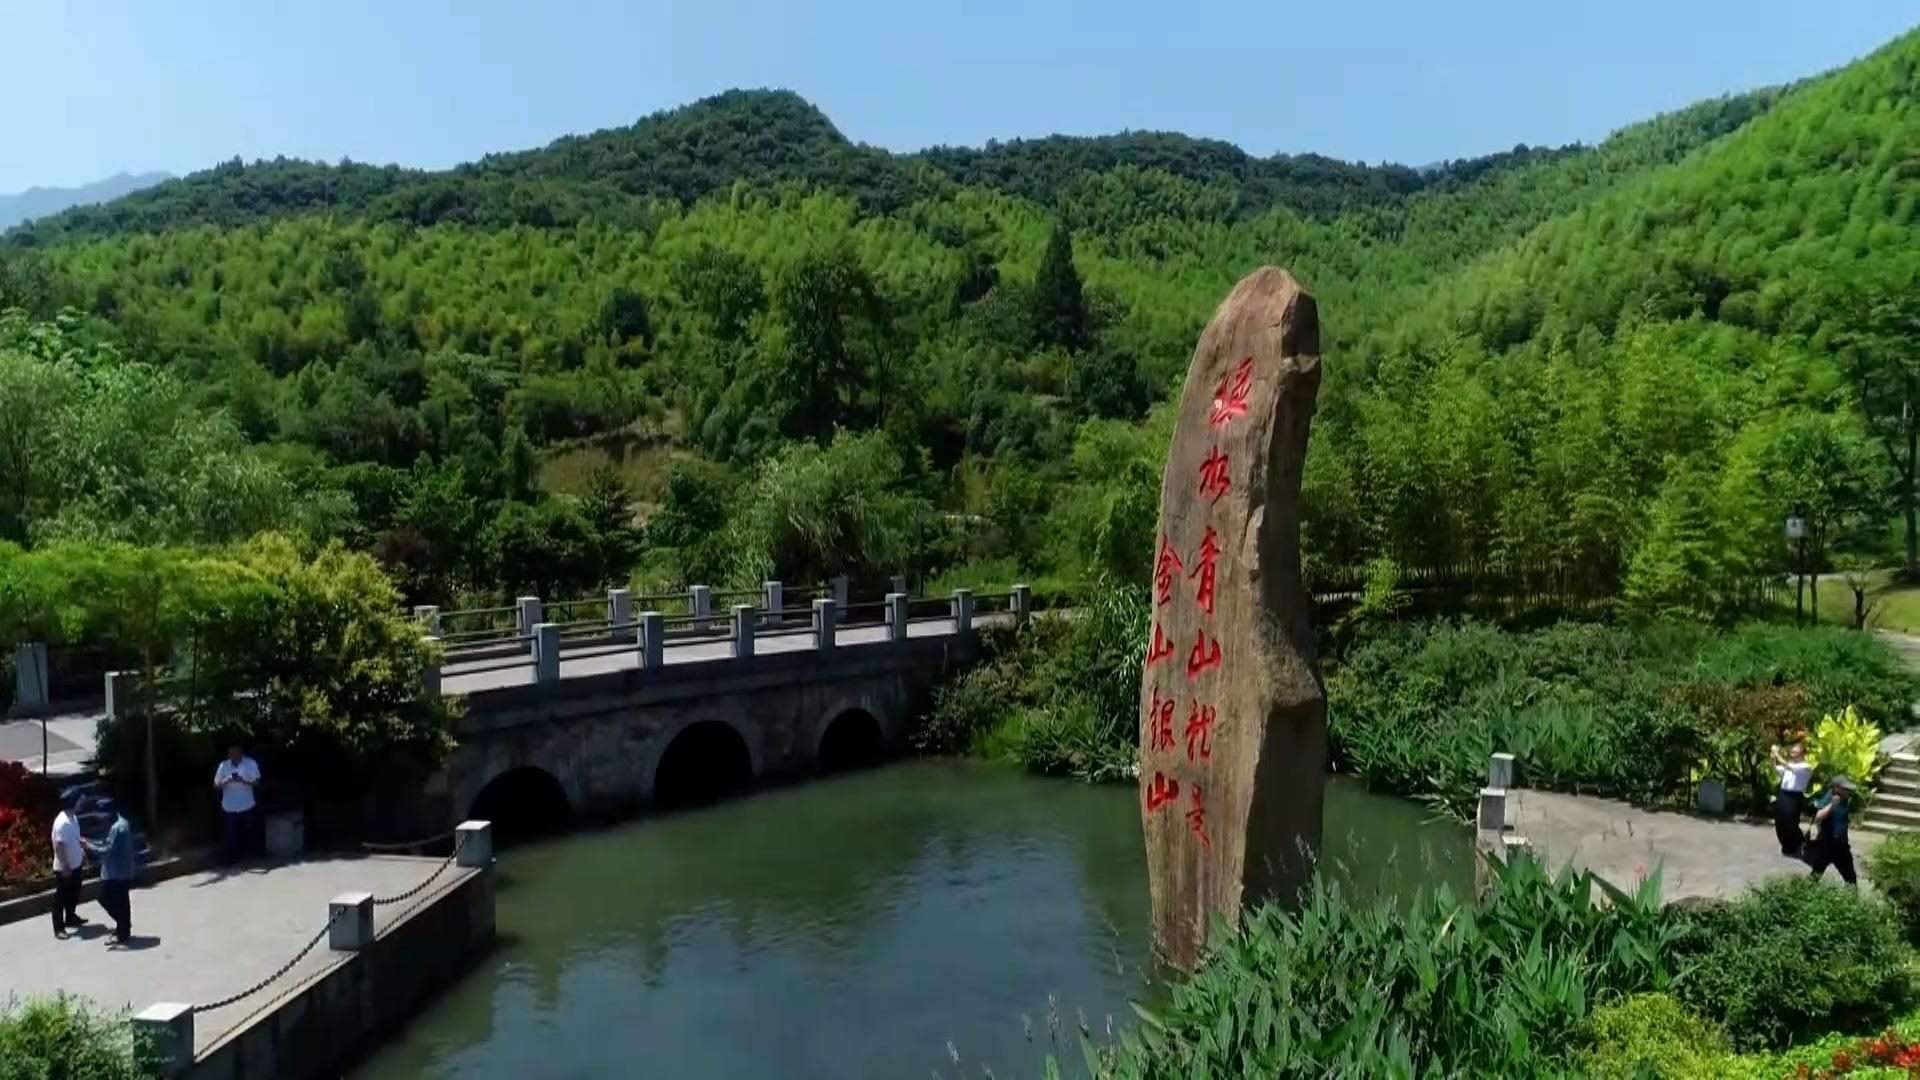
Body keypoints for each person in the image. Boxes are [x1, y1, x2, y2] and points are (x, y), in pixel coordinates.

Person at [84, 809, 135, 945]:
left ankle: (123, 927)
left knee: (106, 898)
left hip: (117, 873)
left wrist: (88, 846)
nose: (102, 820)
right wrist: (89, 842)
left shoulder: (117, 828)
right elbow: (107, 843)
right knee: (122, 902)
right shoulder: (122, 822)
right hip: (122, 871)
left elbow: (106, 850)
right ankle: (123, 928)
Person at [1807, 775, 1858, 886]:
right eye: (1845, 789)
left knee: (1851, 879)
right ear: (1836, 788)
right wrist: (1831, 805)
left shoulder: (1846, 800)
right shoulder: (1829, 798)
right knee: (1815, 875)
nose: (1848, 791)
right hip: (1826, 844)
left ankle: (1851, 897)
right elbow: (1818, 818)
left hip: (1841, 846)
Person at [214, 744, 261, 864]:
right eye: (231, 753)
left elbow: (257, 782)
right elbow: (216, 785)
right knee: (231, 834)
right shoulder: (223, 765)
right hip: (229, 806)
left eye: (236, 753)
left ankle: (251, 857)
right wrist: (226, 780)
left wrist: (244, 781)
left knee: (250, 832)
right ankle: (233, 858)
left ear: (241, 752)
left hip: (247, 804)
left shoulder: (250, 763)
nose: (233, 756)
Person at [49, 796, 87, 939]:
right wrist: (65, 866)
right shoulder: (62, 822)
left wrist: (81, 849)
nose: (81, 803)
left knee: (74, 892)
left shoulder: (73, 818)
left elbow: (74, 837)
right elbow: (59, 846)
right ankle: (59, 928)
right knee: (61, 897)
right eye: (79, 800)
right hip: (65, 868)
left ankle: (70, 917)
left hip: (76, 864)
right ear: (73, 803)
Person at [1771, 740, 1813, 856]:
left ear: (1802, 754)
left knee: (1790, 822)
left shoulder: (1805, 767)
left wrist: (1777, 753)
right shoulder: (1789, 765)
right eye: (1792, 752)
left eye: (1795, 752)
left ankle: (1799, 843)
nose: (1792, 754)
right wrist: (1773, 758)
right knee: (1780, 822)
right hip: (1783, 795)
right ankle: (1787, 847)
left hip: (1794, 797)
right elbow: (1777, 769)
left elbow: (1788, 766)